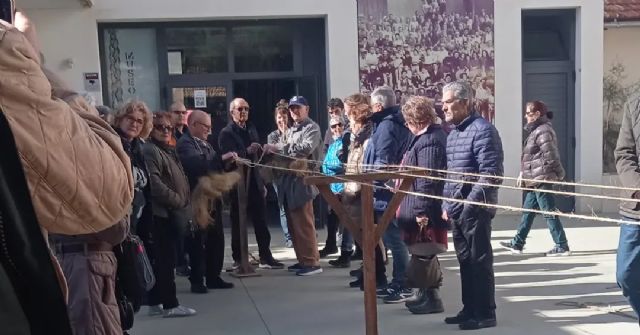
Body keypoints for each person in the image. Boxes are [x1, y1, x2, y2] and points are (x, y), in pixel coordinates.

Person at [2, 11, 135, 335]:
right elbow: (109, 195)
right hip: (73, 263)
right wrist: (37, 66)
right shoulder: (6, 46)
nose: (139, 126)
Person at [441, 81, 503, 330]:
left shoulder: (483, 131)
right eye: (443, 101)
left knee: (480, 261)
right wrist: (448, 204)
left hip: (476, 209)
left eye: (448, 102)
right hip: (457, 210)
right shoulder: (455, 133)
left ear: (464, 103)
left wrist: (468, 204)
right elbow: (450, 174)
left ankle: (485, 313)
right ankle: (470, 308)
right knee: (465, 261)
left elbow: (491, 174)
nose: (443, 106)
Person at [393, 96, 448, 313]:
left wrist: (421, 211)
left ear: (416, 120)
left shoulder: (431, 140)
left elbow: (427, 180)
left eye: (408, 121)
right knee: (422, 254)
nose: (407, 125)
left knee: (425, 253)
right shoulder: (426, 138)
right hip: (418, 205)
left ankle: (432, 300)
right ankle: (425, 295)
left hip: (424, 209)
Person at [219, 98, 283, 269]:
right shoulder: (226, 133)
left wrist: (262, 181)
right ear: (232, 111)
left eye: (246, 109)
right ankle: (239, 258)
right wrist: (246, 151)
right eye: (240, 109)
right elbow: (227, 157)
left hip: (254, 181)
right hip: (237, 183)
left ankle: (265, 255)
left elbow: (257, 160)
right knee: (238, 221)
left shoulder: (252, 129)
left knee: (261, 220)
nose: (244, 112)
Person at [500, 101, 570, 256]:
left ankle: (561, 245)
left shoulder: (543, 131)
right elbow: (530, 157)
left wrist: (560, 173)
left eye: (528, 113)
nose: (526, 116)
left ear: (537, 114)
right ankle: (517, 243)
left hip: (541, 178)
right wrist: (522, 174)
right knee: (528, 212)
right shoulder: (536, 130)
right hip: (533, 178)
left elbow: (551, 155)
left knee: (548, 212)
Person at [143, 112, 196, 318]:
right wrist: (178, 200)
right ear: (150, 128)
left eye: (169, 127)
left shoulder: (166, 149)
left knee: (163, 260)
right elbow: (155, 185)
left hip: (170, 214)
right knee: (165, 261)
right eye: (159, 127)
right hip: (161, 215)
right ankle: (170, 304)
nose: (165, 130)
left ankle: (156, 302)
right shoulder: (151, 150)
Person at [263, 96, 323, 276]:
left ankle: (312, 262)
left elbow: (305, 149)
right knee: (293, 223)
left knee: (303, 223)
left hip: (302, 179)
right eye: (292, 109)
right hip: (288, 180)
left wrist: (279, 148)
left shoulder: (312, 127)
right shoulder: (293, 129)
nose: (294, 111)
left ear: (307, 109)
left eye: (298, 108)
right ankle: (303, 259)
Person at [178, 110, 237, 293]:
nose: (209, 131)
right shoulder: (185, 144)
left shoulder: (205, 144)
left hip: (212, 199)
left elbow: (214, 166)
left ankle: (213, 276)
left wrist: (227, 164)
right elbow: (196, 165)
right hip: (197, 200)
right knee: (197, 241)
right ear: (193, 124)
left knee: (216, 239)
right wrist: (220, 159)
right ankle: (197, 279)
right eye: (206, 127)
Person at [364, 86, 412, 300]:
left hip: (386, 192)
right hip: (388, 190)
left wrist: (369, 178)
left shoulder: (386, 126)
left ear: (379, 105)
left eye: (372, 105)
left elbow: (383, 163)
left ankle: (403, 284)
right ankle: (399, 281)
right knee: (394, 241)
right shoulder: (392, 122)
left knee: (395, 241)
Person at [340, 94, 386, 288]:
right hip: (352, 189)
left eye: (347, 111)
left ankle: (377, 276)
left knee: (369, 236)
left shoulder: (369, 133)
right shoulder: (355, 133)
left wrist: (357, 187)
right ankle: (366, 272)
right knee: (361, 237)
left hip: (362, 191)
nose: (345, 116)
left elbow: (364, 164)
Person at [614, 92, 640, 322]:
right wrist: (637, 186)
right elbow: (623, 154)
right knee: (626, 275)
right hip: (636, 209)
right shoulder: (634, 103)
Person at [320, 98, 350, 258]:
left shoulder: (348, 131)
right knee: (332, 215)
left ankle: (348, 250)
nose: (334, 116)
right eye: (330, 113)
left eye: (336, 112)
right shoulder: (329, 132)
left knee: (348, 217)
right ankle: (331, 244)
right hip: (332, 183)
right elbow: (325, 151)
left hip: (345, 182)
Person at [267, 100, 293, 248]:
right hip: (278, 175)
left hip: (292, 174)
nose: (281, 120)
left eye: (284, 117)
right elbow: (274, 152)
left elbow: (293, 151)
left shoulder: (293, 132)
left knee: (294, 205)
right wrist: (283, 146)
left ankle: (296, 233)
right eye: (279, 117)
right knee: (283, 206)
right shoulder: (272, 136)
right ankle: (288, 236)